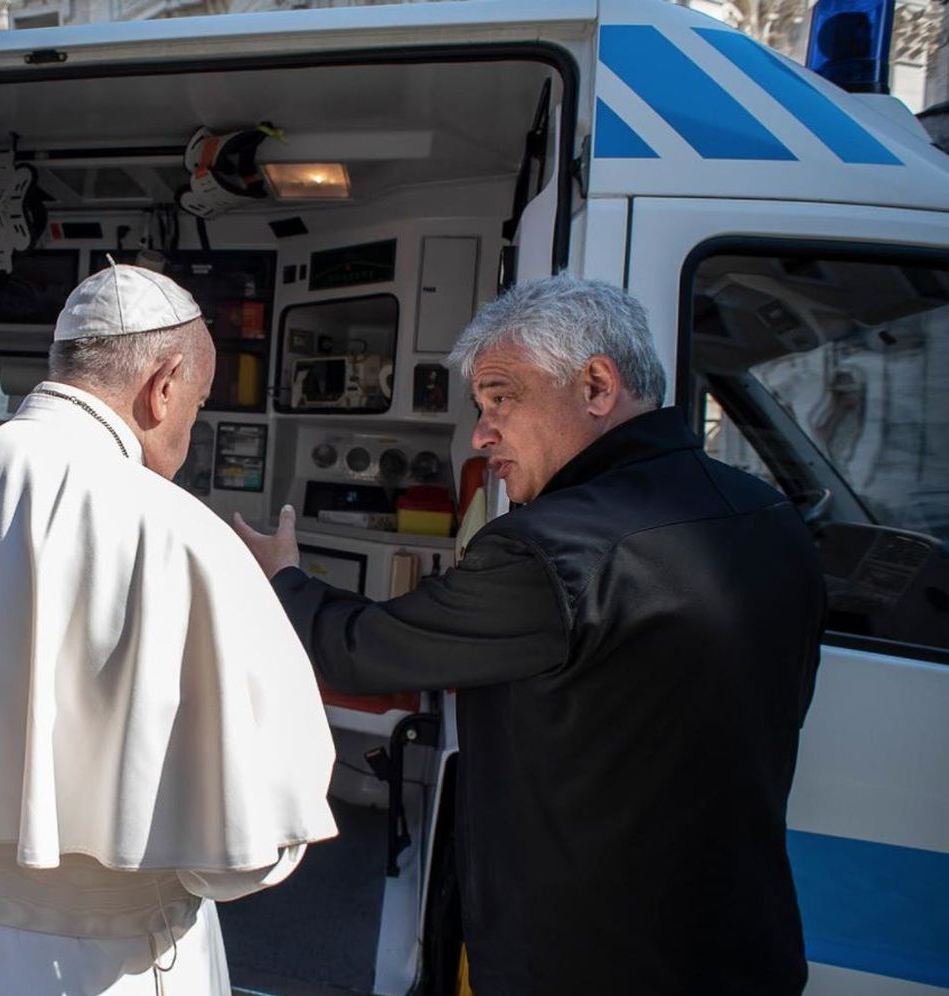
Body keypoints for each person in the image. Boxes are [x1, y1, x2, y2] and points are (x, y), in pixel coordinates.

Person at [234, 275, 824, 996]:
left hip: (585, 961)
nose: (483, 433)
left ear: (597, 386)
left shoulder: (551, 549)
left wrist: (282, 578)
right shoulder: (767, 514)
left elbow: (357, 649)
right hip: (742, 949)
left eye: (501, 399)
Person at [0, 261, 338, 995]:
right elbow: (247, 853)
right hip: (75, 963)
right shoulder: (178, 533)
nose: (191, 423)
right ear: (163, 386)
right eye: (198, 399)